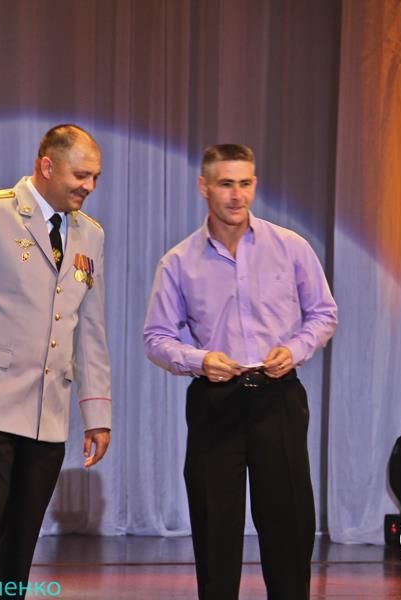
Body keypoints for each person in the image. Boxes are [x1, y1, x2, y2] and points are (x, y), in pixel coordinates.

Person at [143, 144, 338, 599]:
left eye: (245, 183)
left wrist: (296, 349)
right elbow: (156, 338)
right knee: (215, 528)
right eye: (226, 184)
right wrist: (200, 360)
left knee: (288, 525)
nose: (237, 195)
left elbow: (323, 313)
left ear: (255, 184)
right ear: (204, 186)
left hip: (278, 396)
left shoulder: (290, 247)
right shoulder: (179, 261)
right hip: (216, 400)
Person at [0, 124, 112, 597]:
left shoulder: (90, 235)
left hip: (47, 412)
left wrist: (97, 413)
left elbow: (89, 330)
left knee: (22, 536)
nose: (88, 186)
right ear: (47, 165)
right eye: (80, 175)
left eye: (95, 177)